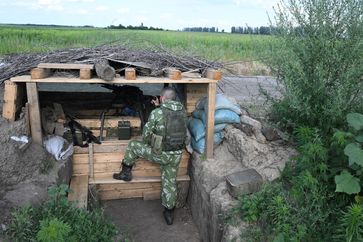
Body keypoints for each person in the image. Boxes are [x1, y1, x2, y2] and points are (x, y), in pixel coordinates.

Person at [113, 87, 187, 225]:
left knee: (133, 145)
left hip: (160, 154)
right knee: (169, 182)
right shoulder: (183, 112)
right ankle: (169, 213)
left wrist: (156, 111)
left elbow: (146, 136)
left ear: (162, 98)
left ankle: (125, 173)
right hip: (176, 155)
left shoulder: (157, 113)